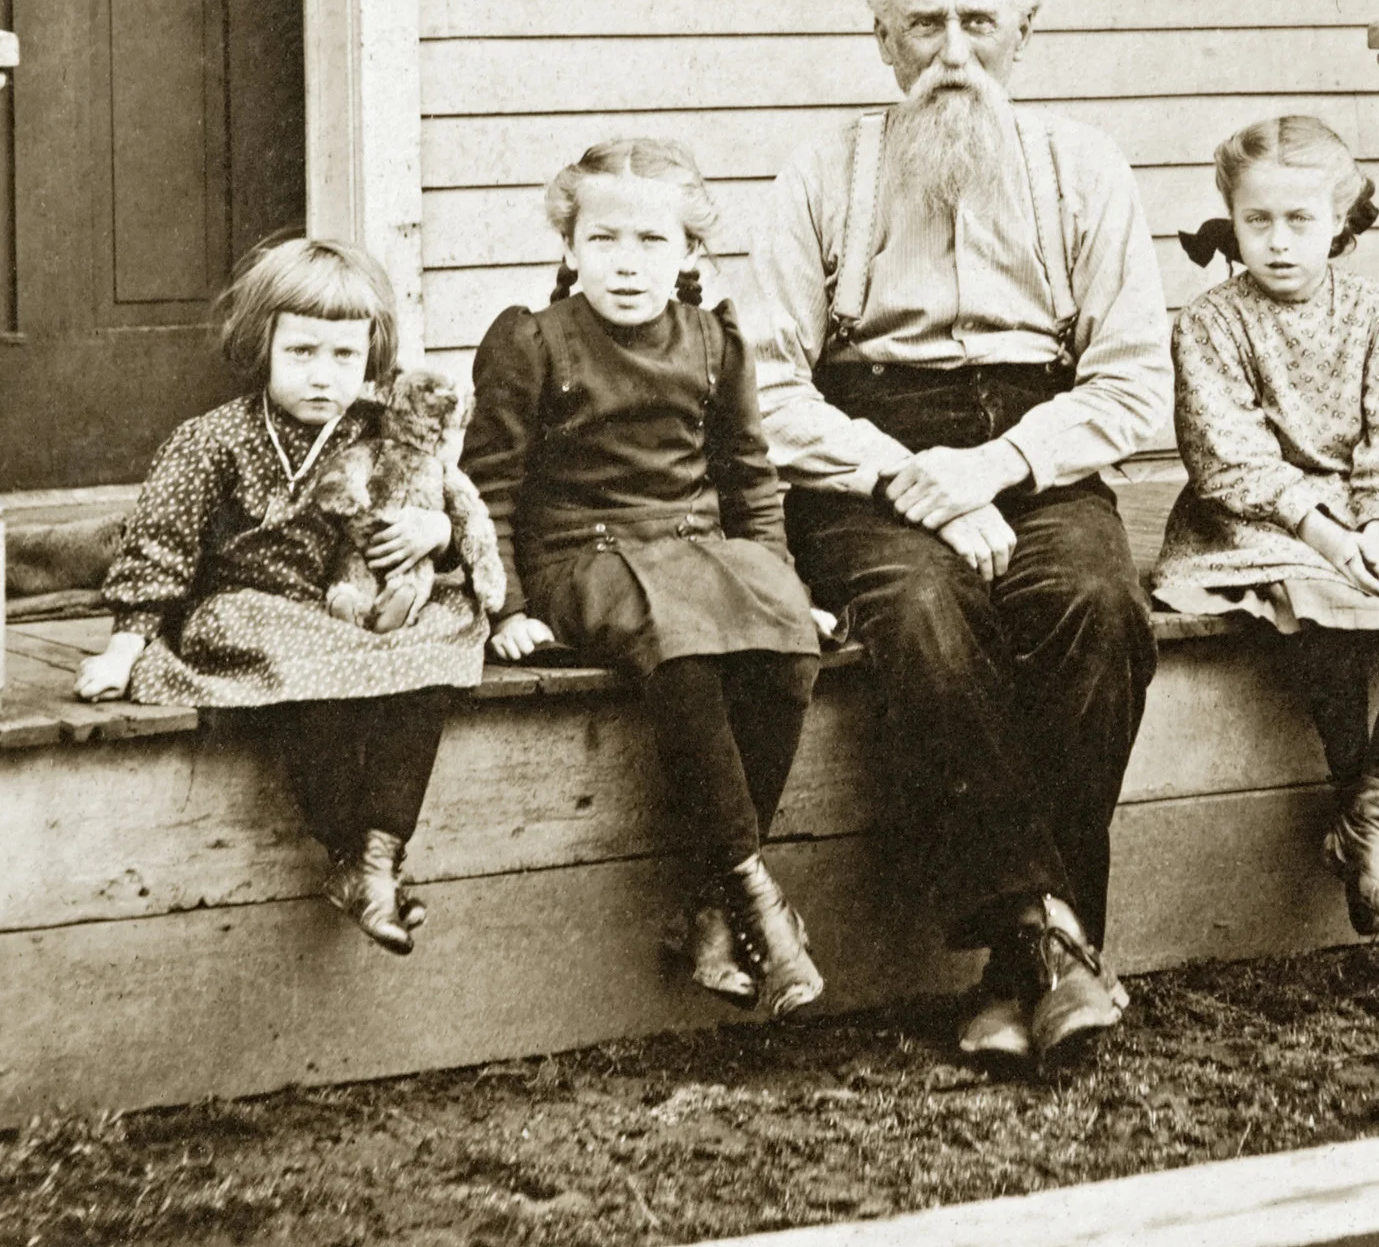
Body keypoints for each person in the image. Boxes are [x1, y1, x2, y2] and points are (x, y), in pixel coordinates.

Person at [748, 0, 1169, 1070]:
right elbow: (767, 387)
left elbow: (1133, 381)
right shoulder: (822, 171)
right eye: (922, 24)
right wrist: (908, 476)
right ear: (882, 40)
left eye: (978, 22)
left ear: (1021, 35)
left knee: (1096, 604)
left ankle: (1011, 965)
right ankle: (1054, 947)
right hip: (867, 455)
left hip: (1039, 450)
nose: (951, 50)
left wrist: (991, 468)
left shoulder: (1084, 167)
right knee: (924, 614)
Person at [461, 138, 828, 1018]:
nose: (626, 264)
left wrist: (779, 581)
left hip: (698, 546)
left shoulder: (714, 340)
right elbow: (489, 485)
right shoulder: (532, 341)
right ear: (568, 246)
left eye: (652, 241)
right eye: (604, 240)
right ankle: (758, 901)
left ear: (690, 251)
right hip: (584, 554)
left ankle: (713, 904)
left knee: (789, 646)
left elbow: (749, 477)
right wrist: (506, 605)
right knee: (684, 652)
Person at [74, 239, 490, 955]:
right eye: (301, 352)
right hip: (248, 606)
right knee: (307, 660)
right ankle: (350, 855)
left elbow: (434, 497)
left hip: (346, 609)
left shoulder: (379, 433)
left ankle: (378, 858)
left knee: (433, 645)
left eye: (344, 355)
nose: (323, 375)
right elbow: (159, 543)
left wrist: (437, 533)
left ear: (371, 355)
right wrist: (124, 645)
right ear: (260, 343)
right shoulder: (213, 440)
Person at [1150, 117, 1379, 936]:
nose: (1278, 241)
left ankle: (1371, 807)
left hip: (1375, 506)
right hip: (1265, 512)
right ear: (1232, 220)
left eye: (1300, 219)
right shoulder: (1210, 322)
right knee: (1319, 599)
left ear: (1339, 220)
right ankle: (1365, 823)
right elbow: (1229, 457)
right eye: (1257, 220)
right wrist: (1330, 538)